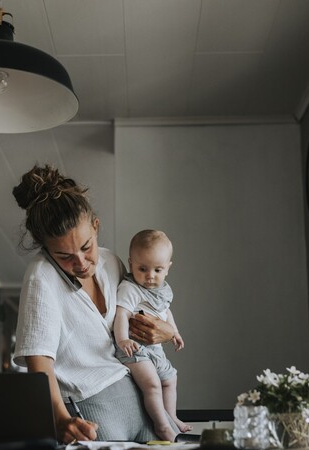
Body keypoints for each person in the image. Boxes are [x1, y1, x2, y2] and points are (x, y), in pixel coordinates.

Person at [11, 164, 178, 443]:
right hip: (94, 410)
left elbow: (141, 313)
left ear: (96, 226)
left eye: (86, 247)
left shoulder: (111, 262)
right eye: (64, 256)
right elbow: (38, 361)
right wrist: (61, 419)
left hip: (142, 404)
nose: (80, 262)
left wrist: (166, 331)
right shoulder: (41, 276)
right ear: (45, 248)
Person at [113, 230, 190, 441]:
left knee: (170, 380)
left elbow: (166, 312)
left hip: (155, 350)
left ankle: (172, 416)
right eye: (142, 268)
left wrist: (174, 332)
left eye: (158, 269)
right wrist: (122, 340)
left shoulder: (164, 290)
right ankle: (162, 425)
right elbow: (121, 314)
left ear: (168, 268)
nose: (150, 276)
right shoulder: (130, 288)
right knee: (152, 384)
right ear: (131, 264)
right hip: (134, 349)